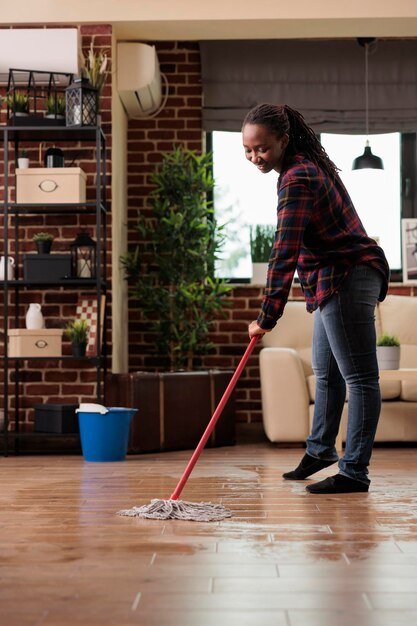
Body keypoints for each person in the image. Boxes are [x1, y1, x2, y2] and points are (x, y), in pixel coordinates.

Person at [243, 103, 390, 494]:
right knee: (326, 374)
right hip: (333, 279)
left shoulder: (297, 176)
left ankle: (354, 471)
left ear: (283, 141)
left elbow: (284, 249)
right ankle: (321, 450)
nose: (256, 157)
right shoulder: (303, 166)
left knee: (359, 378)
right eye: (248, 150)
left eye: (263, 149)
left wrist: (267, 317)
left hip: (349, 274)